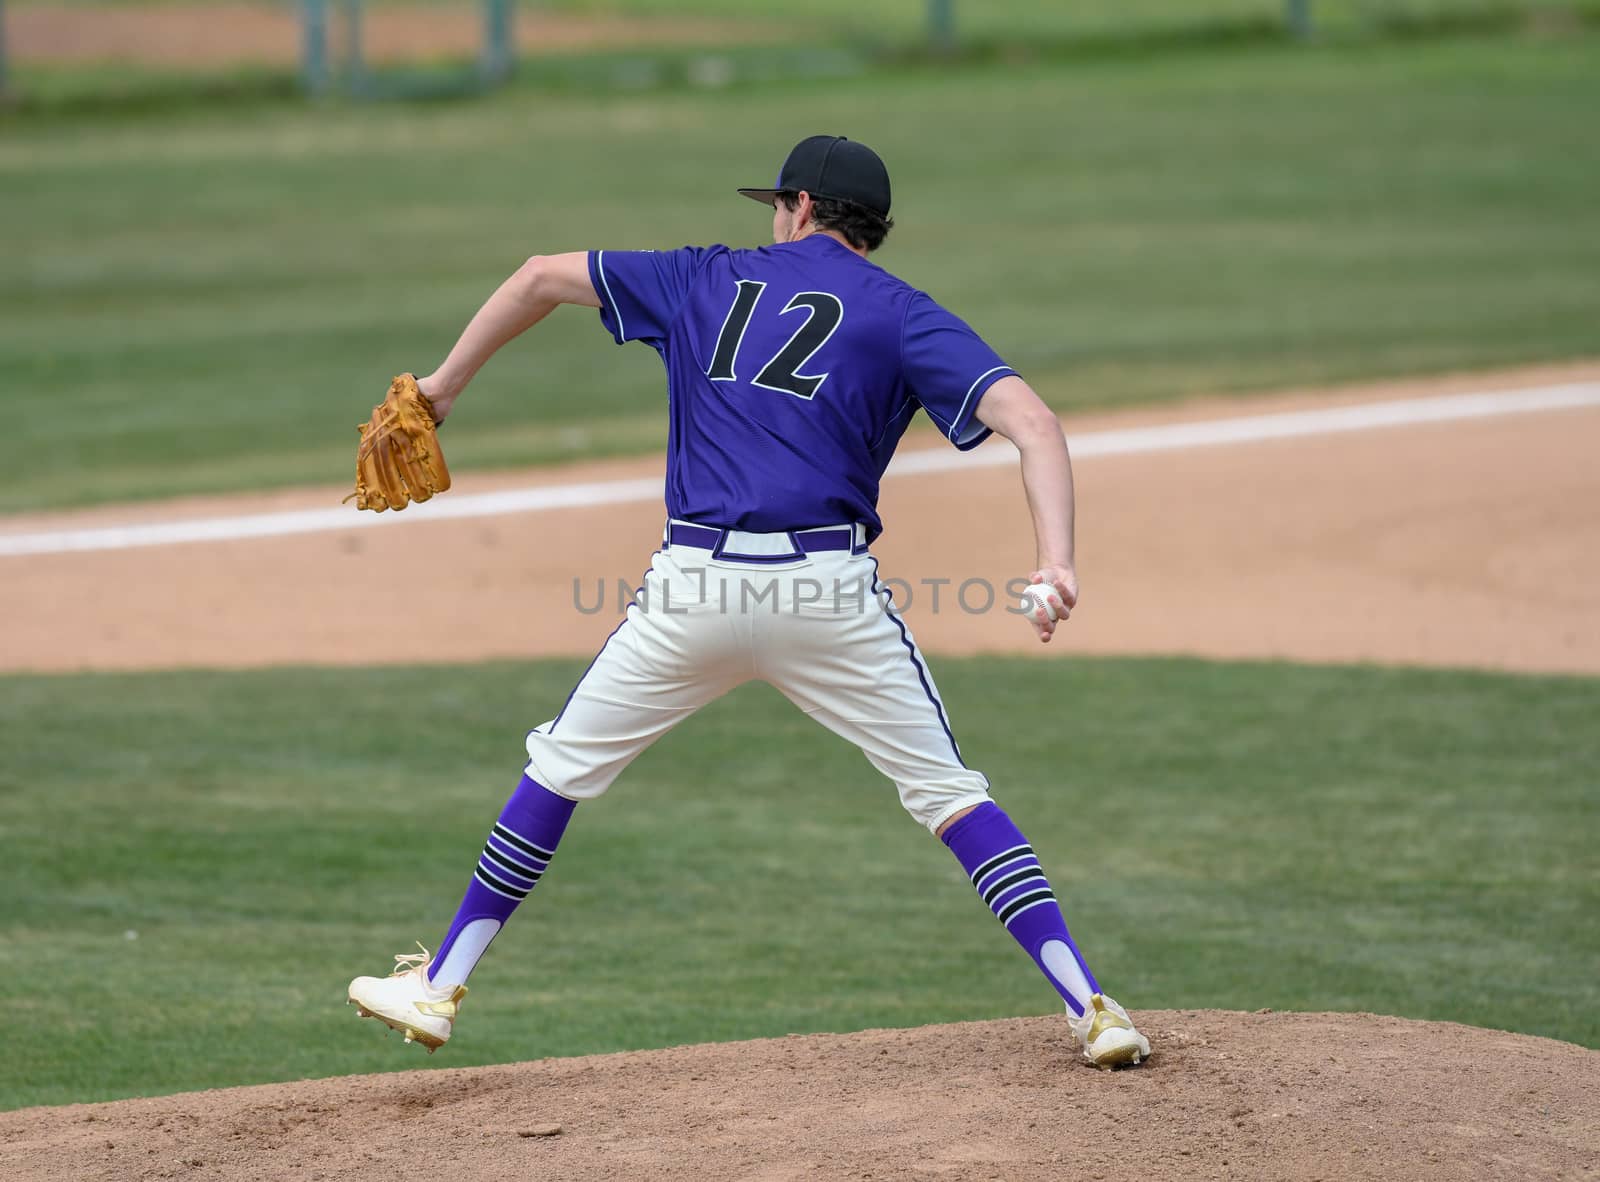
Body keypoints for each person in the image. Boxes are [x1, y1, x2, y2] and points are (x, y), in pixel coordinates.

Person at [347, 135, 1151, 1069]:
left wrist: (442, 391)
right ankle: (1091, 1007)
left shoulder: (702, 277)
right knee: (950, 797)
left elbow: (536, 277)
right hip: (829, 597)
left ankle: (441, 984)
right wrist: (1055, 564)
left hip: (694, 590)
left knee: (560, 770)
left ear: (802, 207)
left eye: (777, 204)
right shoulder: (903, 314)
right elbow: (1035, 425)